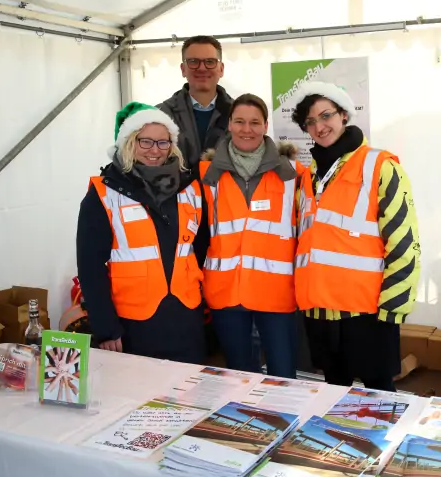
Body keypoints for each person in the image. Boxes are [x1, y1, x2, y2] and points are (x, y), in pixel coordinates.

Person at [291, 81, 421, 392]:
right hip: (320, 310)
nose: (320, 127)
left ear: (344, 115)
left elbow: (403, 240)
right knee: (334, 395)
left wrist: (394, 307)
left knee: (378, 397)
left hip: (369, 313)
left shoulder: (380, 166)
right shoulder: (307, 177)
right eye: (311, 122)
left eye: (326, 116)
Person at [76, 102, 208, 364]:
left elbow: (200, 247)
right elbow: (90, 267)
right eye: (145, 142)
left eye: (163, 142)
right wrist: (106, 327)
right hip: (133, 322)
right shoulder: (105, 193)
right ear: (129, 142)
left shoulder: (190, 188)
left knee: (189, 395)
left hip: (186, 316)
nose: (154, 150)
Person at [199, 93, 300, 378]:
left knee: (283, 377)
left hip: (277, 292)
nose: (247, 129)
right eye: (240, 121)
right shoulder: (206, 174)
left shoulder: (293, 173)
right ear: (228, 124)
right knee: (238, 377)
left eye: (255, 122)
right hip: (226, 292)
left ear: (266, 125)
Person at [158, 35, 233, 170]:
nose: (202, 68)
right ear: (183, 69)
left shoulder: (240, 115)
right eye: (193, 61)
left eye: (210, 62)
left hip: (227, 191)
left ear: (221, 69)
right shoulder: (160, 115)